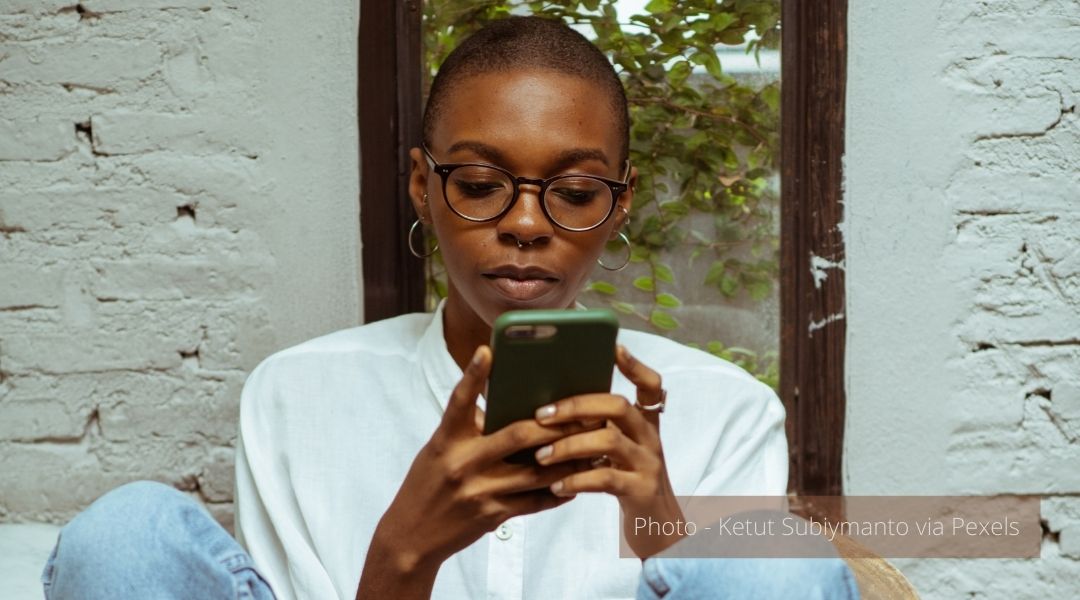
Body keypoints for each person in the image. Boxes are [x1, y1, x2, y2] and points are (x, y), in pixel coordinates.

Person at [41, 16, 858, 600]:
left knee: (777, 556)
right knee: (127, 534)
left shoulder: (725, 413)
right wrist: (406, 550)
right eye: (478, 184)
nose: (528, 224)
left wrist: (662, 529)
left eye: (573, 192)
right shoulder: (298, 395)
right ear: (422, 187)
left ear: (619, 202)